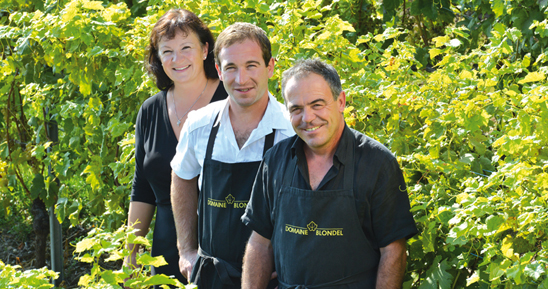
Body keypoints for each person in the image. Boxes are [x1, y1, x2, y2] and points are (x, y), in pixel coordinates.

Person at [241, 59, 418, 289]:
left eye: (317, 104)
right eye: (296, 109)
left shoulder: (377, 163)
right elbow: (260, 242)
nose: (307, 118)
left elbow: (393, 252)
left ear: (341, 101)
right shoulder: (275, 160)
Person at [170, 22, 294, 289]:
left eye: (251, 65)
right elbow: (182, 177)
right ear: (218, 70)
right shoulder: (198, 125)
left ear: (270, 67)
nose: (241, 79)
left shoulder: (292, 130)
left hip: (273, 279)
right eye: (231, 68)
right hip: (210, 275)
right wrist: (186, 251)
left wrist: (291, 262)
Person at [125, 9, 227, 286]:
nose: (177, 58)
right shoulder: (150, 110)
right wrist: (131, 255)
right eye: (167, 51)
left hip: (228, 251)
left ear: (205, 50)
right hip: (166, 251)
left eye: (186, 47)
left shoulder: (232, 101)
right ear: (158, 58)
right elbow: (142, 188)